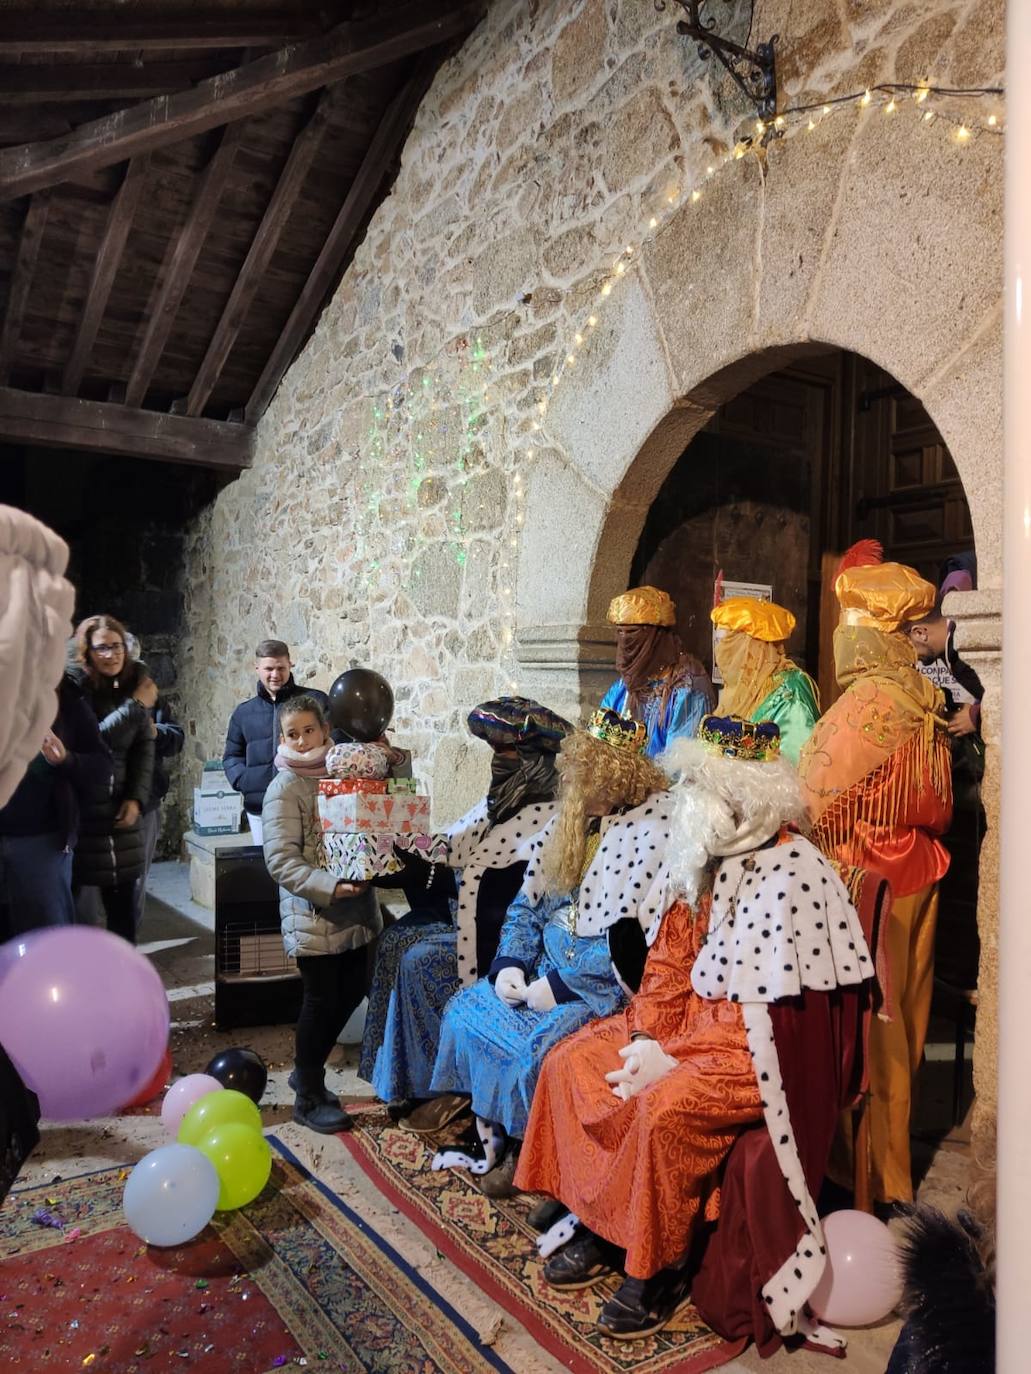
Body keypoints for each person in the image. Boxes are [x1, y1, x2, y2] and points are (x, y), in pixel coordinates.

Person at [517, 718, 875, 1345]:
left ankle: (656, 1268)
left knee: (662, 1109)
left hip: (748, 1052)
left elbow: (783, 1024)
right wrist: (649, 1039)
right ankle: (605, 1222)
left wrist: (677, 1064)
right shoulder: (701, 855)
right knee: (572, 1061)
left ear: (743, 795)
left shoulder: (795, 872)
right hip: (679, 1029)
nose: (686, 799)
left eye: (699, 786)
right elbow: (668, 962)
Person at [428, 708, 671, 1196]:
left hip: (595, 993)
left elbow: (638, 944)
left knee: (537, 1050)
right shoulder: (574, 824)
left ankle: (524, 1149)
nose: (576, 791)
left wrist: (560, 987)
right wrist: (510, 965)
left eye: (587, 780)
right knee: (467, 1010)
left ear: (616, 778)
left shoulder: (655, 834)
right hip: (541, 970)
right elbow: (527, 906)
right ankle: (489, 1123)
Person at [798, 544, 952, 1205]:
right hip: (917, 870)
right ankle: (889, 1172)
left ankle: (862, 1179)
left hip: (866, 882)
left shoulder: (868, 705)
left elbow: (809, 796)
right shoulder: (922, 695)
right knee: (903, 1030)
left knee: (866, 1031)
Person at [359, 696, 572, 1121]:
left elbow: (520, 897)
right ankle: (398, 1079)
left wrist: (427, 866)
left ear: (534, 759)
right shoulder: (500, 800)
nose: (498, 763)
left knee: (419, 960)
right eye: (494, 752)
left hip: (499, 943)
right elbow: (454, 844)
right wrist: (397, 846)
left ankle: (438, 1085)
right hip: (461, 914)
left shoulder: (553, 815)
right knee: (395, 939)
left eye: (507, 753)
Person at [0, 503, 76, 1203]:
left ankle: (46, 1067)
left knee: (42, 952)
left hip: (35, 841)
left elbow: (91, 764)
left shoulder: (54, 692)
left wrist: (61, 760)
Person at [262, 693, 382, 1133]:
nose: (301, 740)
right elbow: (281, 860)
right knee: (321, 1001)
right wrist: (331, 886)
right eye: (291, 734)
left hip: (357, 910)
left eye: (308, 730)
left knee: (352, 991)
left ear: (325, 730)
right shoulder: (285, 788)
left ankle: (304, 1071)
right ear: (282, 738)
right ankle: (307, 1094)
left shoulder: (344, 771)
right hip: (314, 915)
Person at [906, 573, 985, 990]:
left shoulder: (971, 638)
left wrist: (975, 716)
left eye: (913, 644)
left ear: (921, 630)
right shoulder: (945, 656)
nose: (917, 656)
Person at [0, 672, 112, 939]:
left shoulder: (66, 700)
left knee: (47, 939)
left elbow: (102, 765)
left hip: (42, 842)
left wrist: (66, 759)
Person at [67, 615, 156, 944]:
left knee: (122, 911)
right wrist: (135, 707)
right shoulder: (74, 689)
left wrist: (136, 797)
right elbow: (93, 743)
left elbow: (144, 745)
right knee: (77, 913)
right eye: (102, 647)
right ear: (87, 652)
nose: (111, 654)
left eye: (116, 646)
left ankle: (124, 984)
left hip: (121, 811)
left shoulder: (136, 682)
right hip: (82, 811)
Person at [223, 639, 333, 845]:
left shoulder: (316, 701)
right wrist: (245, 781)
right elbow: (232, 756)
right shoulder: (243, 713)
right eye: (269, 668)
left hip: (311, 804)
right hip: (260, 808)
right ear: (257, 668)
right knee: (270, 868)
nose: (275, 675)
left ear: (290, 665)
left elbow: (335, 746)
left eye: (281, 667)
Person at [601, 585, 714, 756]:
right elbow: (599, 734)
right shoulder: (625, 685)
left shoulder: (687, 688)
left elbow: (678, 764)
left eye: (632, 632)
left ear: (656, 636)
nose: (625, 641)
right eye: (620, 632)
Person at [710, 595, 820, 763]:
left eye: (725, 642)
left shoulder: (790, 691)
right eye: (716, 642)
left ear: (749, 645)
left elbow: (798, 766)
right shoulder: (739, 688)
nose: (719, 650)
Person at [133, 691, 185, 930]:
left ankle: (126, 949)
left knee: (135, 883)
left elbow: (176, 737)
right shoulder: (87, 694)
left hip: (144, 803)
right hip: (98, 805)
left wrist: (155, 732)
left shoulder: (147, 694)